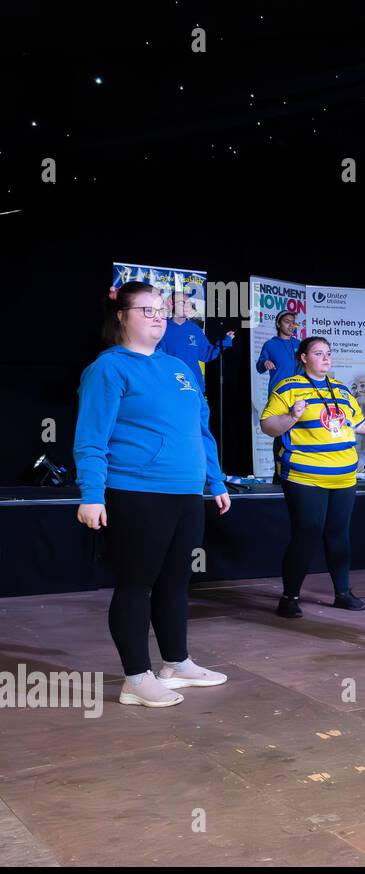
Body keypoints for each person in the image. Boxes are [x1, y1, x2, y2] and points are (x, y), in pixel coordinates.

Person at [74, 282, 232, 708]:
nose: (158, 316)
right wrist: (92, 494)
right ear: (122, 316)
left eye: (161, 310)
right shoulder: (109, 369)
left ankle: (176, 663)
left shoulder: (178, 367)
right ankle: (136, 678)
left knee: (176, 583)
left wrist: (214, 481)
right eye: (147, 309)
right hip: (135, 493)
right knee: (135, 585)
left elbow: (202, 431)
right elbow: (91, 438)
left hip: (185, 493)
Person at [259, 336, 365, 617]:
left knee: (339, 534)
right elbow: (268, 426)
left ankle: (342, 593)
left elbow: (362, 424)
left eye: (328, 353)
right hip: (305, 476)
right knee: (306, 534)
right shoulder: (288, 387)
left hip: (344, 476)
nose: (326, 358)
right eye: (319, 353)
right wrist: (291, 416)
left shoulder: (340, 389)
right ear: (303, 358)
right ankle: (290, 597)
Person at [256, 310, 302, 480]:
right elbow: (260, 366)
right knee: (280, 433)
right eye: (287, 322)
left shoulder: (299, 344)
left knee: (298, 431)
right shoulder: (270, 345)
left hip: (299, 395)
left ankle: (297, 471)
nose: (291, 325)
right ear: (278, 324)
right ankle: (279, 472)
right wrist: (265, 362)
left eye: (293, 322)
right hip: (279, 395)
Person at [158, 288, 235, 388]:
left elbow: (206, 354)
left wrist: (225, 341)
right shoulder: (162, 328)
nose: (187, 307)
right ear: (170, 304)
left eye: (189, 304)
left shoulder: (195, 329)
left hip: (194, 385)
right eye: (183, 303)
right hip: (170, 384)